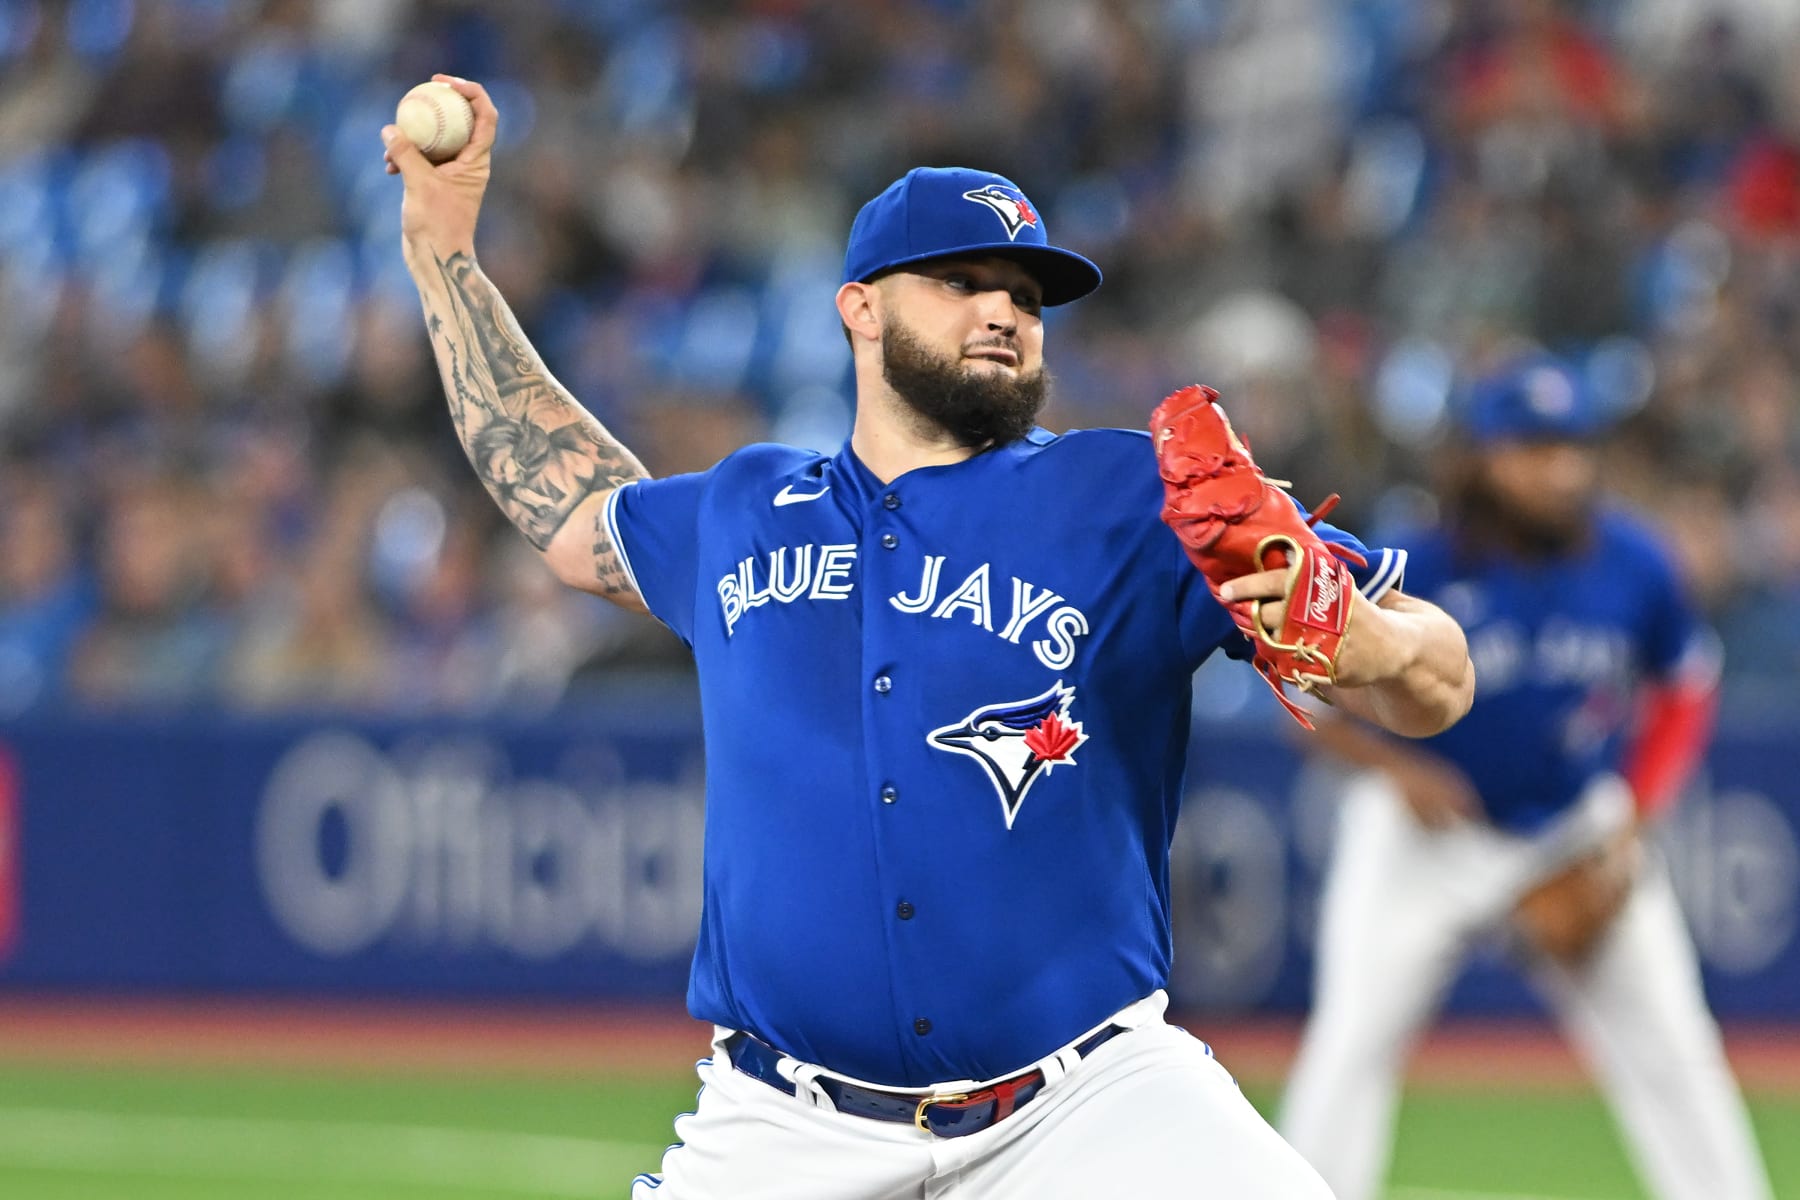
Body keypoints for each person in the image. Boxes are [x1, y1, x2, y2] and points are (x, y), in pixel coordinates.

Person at [383, 76, 1473, 1199]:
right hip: (783, 1122)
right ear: (859, 308)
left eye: (1026, 295)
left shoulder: (1128, 495)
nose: (1001, 311)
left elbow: (1442, 675)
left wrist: (1368, 648)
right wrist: (440, 249)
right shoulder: (747, 508)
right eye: (960, 281)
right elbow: (562, 502)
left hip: (1089, 1104)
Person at [1278, 353, 1773, 1200]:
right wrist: (1401, 769)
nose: (1561, 469)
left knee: (1678, 1054)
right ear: (1484, 459)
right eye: (1534, 448)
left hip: (1578, 823)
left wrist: (1631, 826)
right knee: (1350, 1046)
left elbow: (1685, 691)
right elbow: (1305, 702)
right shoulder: (1417, 566)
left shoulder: (1634, 562)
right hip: (1425, 839)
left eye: (1571, 446)